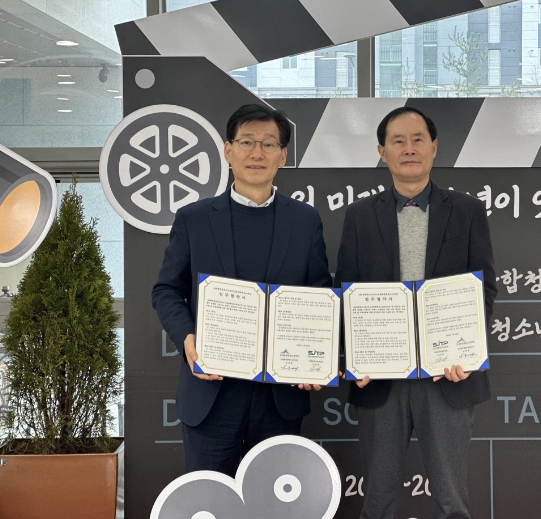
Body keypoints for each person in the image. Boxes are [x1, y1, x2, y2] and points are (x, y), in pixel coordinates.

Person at [152, 103, 332, 476]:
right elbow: (166, 290)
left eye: (268, 144)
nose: (256, 153)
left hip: (280, 398)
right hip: (211, 397)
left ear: (282, 156)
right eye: (247, 141)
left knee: (276, 498)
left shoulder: (305, 221)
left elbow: (319, 296)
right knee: (211, 500)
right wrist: (187, 338)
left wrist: (318, 356)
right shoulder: (194, 219)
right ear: (228, 150)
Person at [334, 106, 497, 519]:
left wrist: (467, 351)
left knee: (452, 502)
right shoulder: (359, 216)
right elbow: (346, 295)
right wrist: (353, 357)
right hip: (380, 379)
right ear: (382, 151)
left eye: (418, 139)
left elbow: (484, 289)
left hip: (448, 377)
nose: (409, 149)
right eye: (398, 141)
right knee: (377, 502)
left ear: (434, 147)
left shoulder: (467, 211)